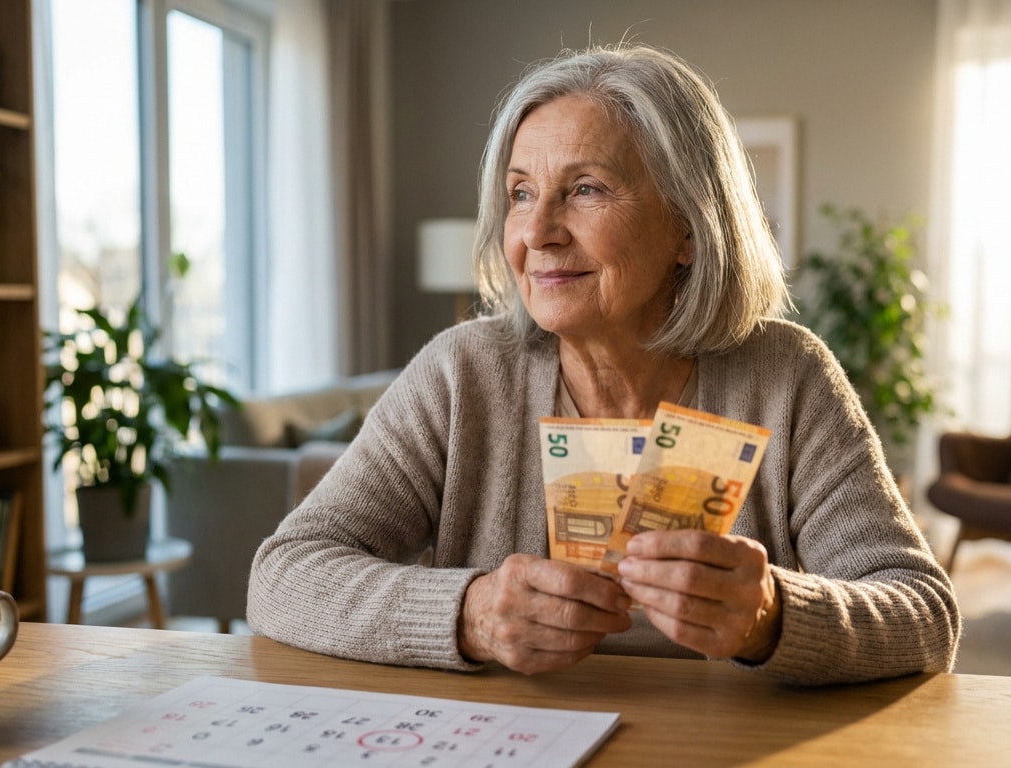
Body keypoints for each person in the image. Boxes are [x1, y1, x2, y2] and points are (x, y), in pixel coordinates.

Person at [248, 43, 959, 685]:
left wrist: (774, 614)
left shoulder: (787, 375)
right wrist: (470, 612)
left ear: (688, 225)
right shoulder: (462, 373)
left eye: (586, 189)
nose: (535, 232)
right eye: (521, 193)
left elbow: (924, 613)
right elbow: (283, 575)